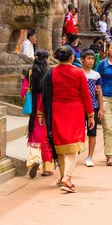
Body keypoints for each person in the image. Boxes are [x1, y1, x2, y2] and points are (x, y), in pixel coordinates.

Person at [41, 46, 94, 193]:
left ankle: (63, 176)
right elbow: (85, 95)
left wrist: (41, 113)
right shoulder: (78, 72)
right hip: (75, 111)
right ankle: (67, 177)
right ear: (72, 58)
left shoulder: (51, 72)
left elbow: (44, 94)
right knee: (73, 145)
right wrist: (90, 114)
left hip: (56, 111)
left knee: (61, 145)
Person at [22, 50, 54, 178]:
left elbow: (23, 92)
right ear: (46, 59)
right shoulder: (49, 73)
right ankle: (47, 168)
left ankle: (35, 160)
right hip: (46, 106)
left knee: (35, 133)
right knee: (47, 135)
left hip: (35, 106)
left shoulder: (29, 73)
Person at [81, 50, 104, 168]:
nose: (90, 61)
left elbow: (99, 92)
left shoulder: (96, 75)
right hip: (79, 107)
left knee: (92, 132)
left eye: (92, 58)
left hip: (93, 107)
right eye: (88, 58)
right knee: (79, 131)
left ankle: (89, 156)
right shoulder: (78, 73)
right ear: (82, 59)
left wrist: (101, 108)